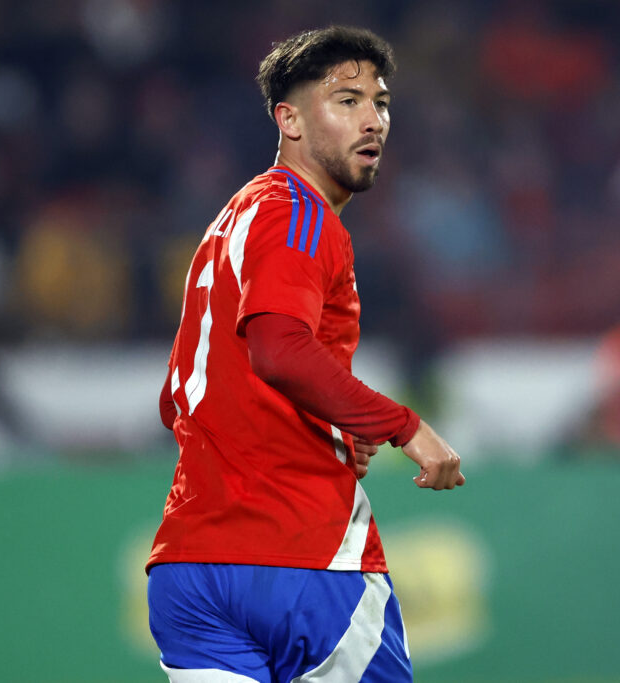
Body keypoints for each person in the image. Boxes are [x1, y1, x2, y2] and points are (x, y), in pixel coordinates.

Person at [146, 26, 465, 683]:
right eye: (345, 100)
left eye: (379, 102)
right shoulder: (300, 213)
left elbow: (178, 396)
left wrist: (330, 420)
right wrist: (404, 426)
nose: (372, 119)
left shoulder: (228, 223)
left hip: (189, 568)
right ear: (287, 120)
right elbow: (279, 349)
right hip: (302, 556)